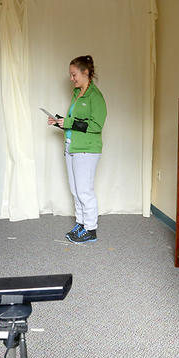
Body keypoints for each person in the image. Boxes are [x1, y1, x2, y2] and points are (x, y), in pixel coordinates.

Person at [47, 55, 107, 244]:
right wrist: (60, 123)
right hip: (71, 146)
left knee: (84, 191)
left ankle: (91, 229)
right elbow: (74, 123)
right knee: (75, 190)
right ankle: (81, 224)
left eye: (74, 75)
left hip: (86, 150)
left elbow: (96, 125)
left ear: (86, 72)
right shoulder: (76, 94)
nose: (71, 79)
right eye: (70, 75)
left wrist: (69, 122)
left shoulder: (95, 96)